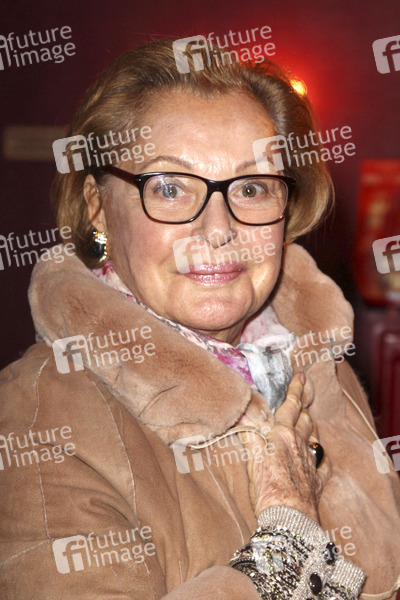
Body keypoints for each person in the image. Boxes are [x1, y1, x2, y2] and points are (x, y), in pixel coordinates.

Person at [1, 39, 400, 600]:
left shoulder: (319, 367)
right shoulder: (37, 415)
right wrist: (286, 552)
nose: (218, 230)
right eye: (169, 187)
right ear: (97, 208)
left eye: (252, 187)